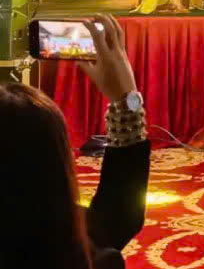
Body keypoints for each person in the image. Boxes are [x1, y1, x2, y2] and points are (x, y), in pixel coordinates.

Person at [0, 14, 150, 269]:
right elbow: (119, 214)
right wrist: (126, 99)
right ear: (57, 163)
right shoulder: (87, 252)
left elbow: (119, 214)